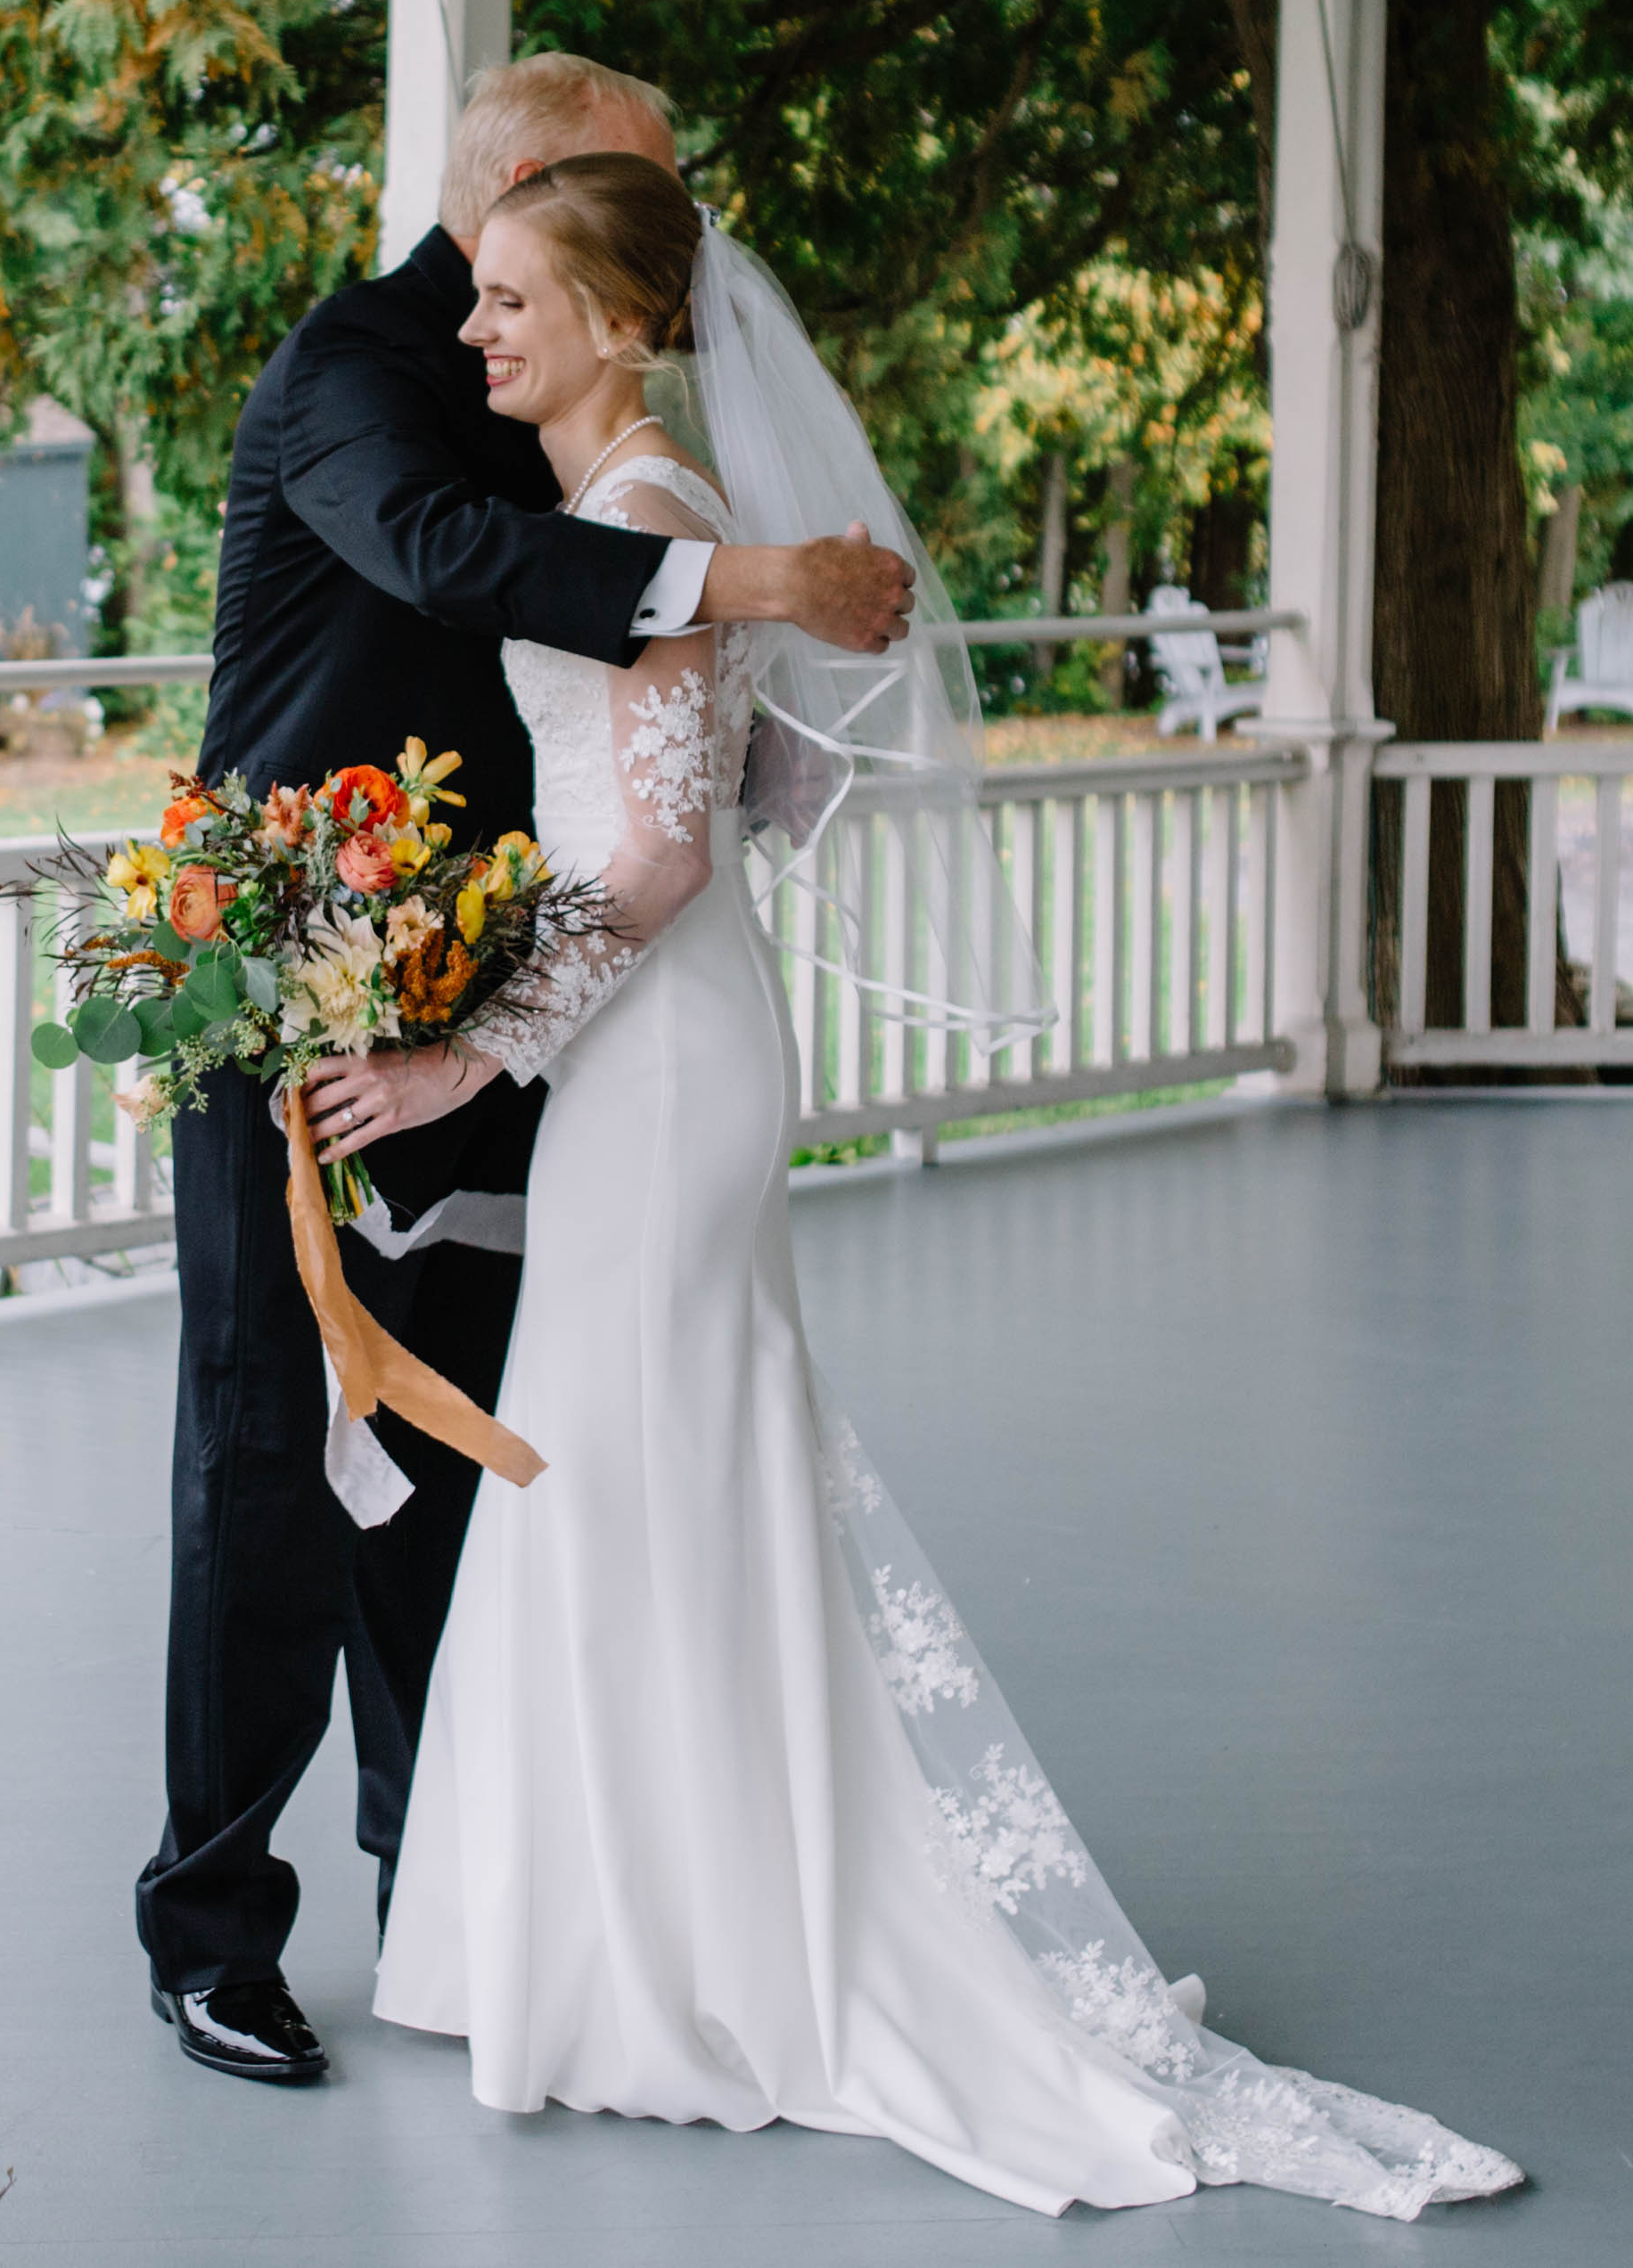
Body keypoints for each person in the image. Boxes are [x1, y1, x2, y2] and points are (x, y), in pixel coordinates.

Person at [309, 151, 1522, 2220]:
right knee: (622, 1464)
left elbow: (670, 856)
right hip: (656, 1040)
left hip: (658, 1057)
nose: (476, 327)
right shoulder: (649, 529)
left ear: (619, 322)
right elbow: (756, 788)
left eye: (514, 297)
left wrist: (453, 1055)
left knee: (640, 1454)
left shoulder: (649, 518)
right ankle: (617, 1940)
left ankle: (695, 1959)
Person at [138, 54, 915, 2089]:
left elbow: (639, 742)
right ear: (507, 192)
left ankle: (460, 1885)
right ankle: (211, 1926)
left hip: (510, 1001)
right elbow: (440, 567)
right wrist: (755, 587)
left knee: (465, 1442)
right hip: (299, 985)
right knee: (264, 1442)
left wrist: (748, 722)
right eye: (609, 203)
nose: (660, 257)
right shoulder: (358, 372)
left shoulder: (586, 422)